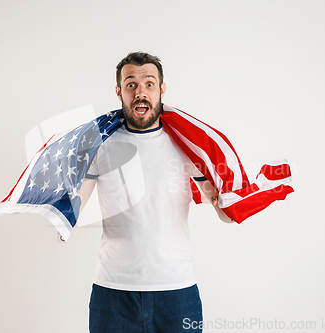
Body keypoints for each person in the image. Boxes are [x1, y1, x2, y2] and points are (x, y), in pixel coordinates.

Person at [78, 52, 233, 333]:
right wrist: (49, 202)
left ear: (162, 89)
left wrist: (231, 204)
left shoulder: (186, 143)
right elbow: (74, 207)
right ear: (119, 92)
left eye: (149, 84)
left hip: (177, 293)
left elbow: (225, 214)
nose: (141, 92)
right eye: (131, 84)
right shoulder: (99, 144)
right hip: (113, 293)